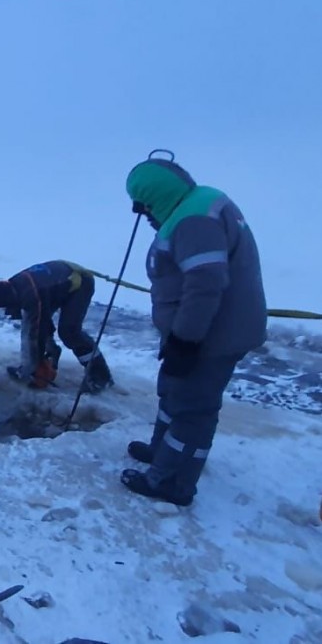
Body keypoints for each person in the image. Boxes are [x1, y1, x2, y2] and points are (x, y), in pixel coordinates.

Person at [121, 150, 267, 506]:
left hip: (209, 337)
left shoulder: (193, 220)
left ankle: (172, 481)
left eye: (143, 204)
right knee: (173, 390)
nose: (143, 214)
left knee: (193, 407)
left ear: (156, 196)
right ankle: (162, 451)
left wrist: (185, 341)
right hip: (196, 332)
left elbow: (204, 284)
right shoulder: (198, 204)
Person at [0, 260, 114, 393]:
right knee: (38, 322)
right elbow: (37, 323)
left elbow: (33, 333)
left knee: (69, 332)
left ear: (5, 299)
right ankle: (50, 355)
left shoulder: (31, 295)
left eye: (2, 307)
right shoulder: (14, 286)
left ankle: (101, 377)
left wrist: (28, 369)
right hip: (56, 283)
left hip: (79, 282)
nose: (5, 312)